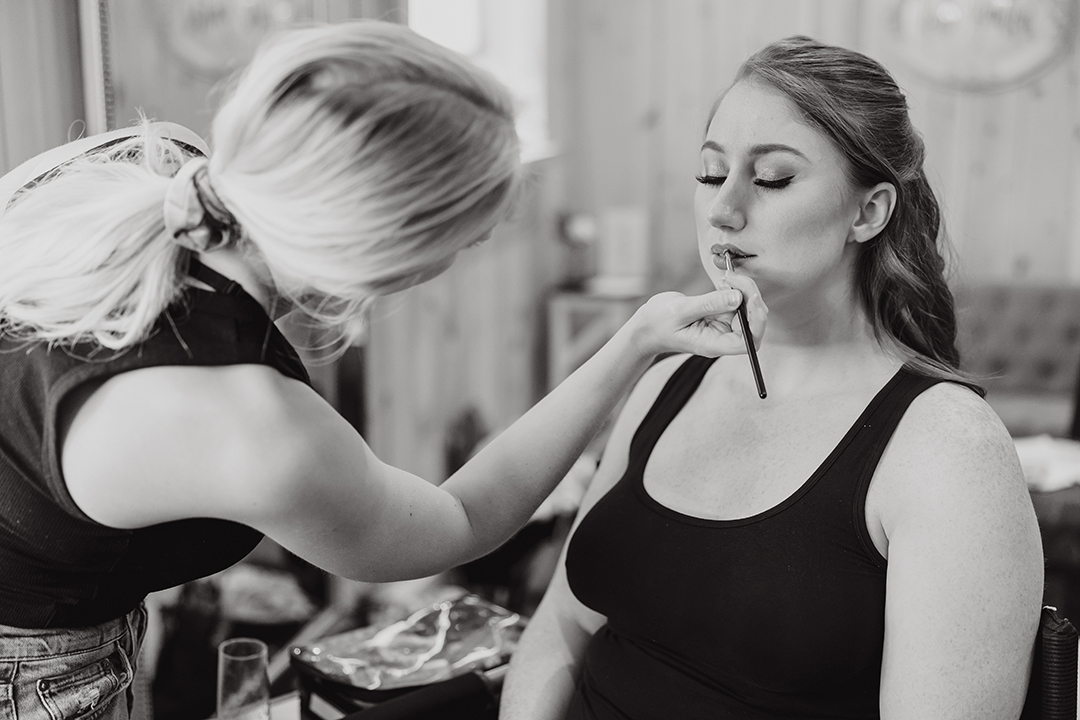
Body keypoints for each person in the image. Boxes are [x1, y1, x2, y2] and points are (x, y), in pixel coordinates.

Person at [0, 20, 761, 720]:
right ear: (393, 255)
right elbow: (456, 522)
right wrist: (631, 348)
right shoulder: (259, 433)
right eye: (465, 244)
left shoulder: (134, 172)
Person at [500, 35, 1045, 720]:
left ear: (867, 212)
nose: (723, 210)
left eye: (772, 178)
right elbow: (561, 629)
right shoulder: (665, 386)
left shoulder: (948, 449)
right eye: (709, 174)